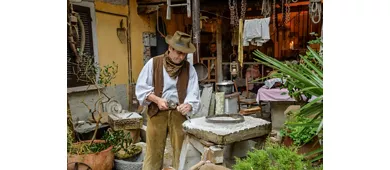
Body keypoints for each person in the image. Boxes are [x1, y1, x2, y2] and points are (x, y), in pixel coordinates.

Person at [136, 31, 201, 170]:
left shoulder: (189, 69)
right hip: (156, 112)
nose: (180, 56)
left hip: (179, 114)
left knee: (181, 152)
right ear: (170, 48)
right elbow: (141, 89)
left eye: (184, 54)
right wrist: (157, 100)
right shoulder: (153, 63)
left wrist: (188, 105)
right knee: (153, 153)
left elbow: (193, 93)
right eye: (178, 52)